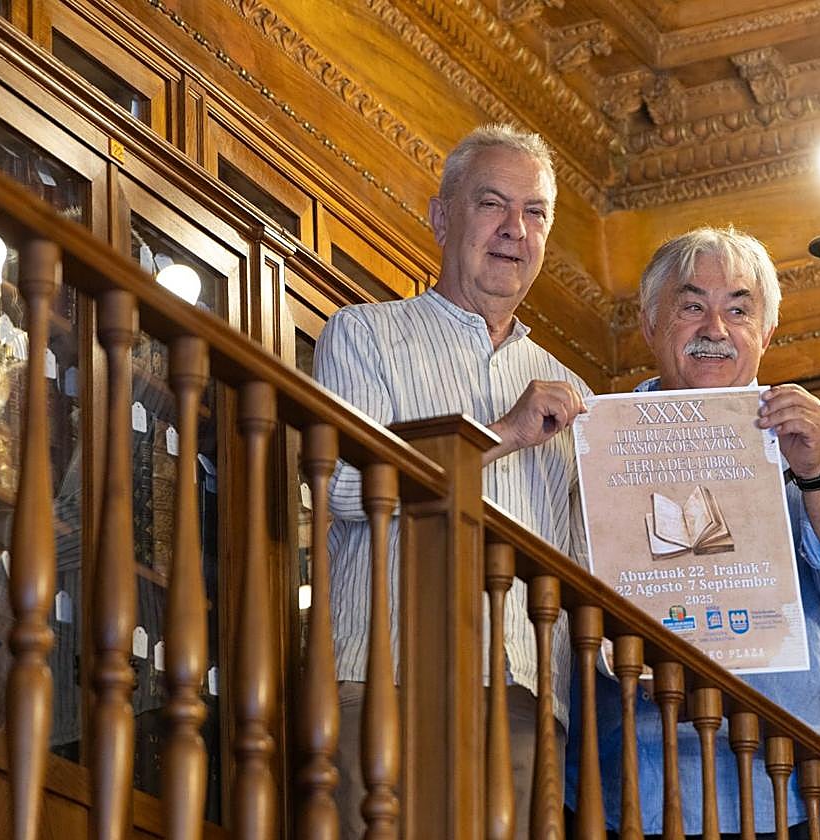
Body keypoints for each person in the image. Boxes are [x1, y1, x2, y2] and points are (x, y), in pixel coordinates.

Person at [566, 226, 820, 839]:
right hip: (630, 788)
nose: (714, 330)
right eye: (691, 306)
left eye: (738, 310)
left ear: (766, 333)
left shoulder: (819, 439)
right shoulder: (594, 439)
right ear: (650, 324)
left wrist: (812, 474)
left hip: (785, 785)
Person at [315, 124, 589, 840]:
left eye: (535, 213)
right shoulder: (363, 335)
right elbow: (344, 488)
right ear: (443, 216)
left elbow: (596, 562)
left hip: (529, 700)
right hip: (388, 679)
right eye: (492, 204)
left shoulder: (576, 392)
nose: (514, 230)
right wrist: (503, 434)